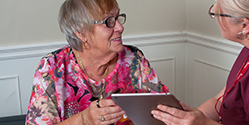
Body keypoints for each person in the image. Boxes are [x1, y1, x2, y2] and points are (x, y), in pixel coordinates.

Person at [25, 0, 169, 125]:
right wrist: (85, 119)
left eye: (118, 18)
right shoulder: (52, 67)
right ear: (80, 32)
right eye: (108, 21)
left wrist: (187, 116)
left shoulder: (133, 59)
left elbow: (164, 108)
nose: (120, 27)